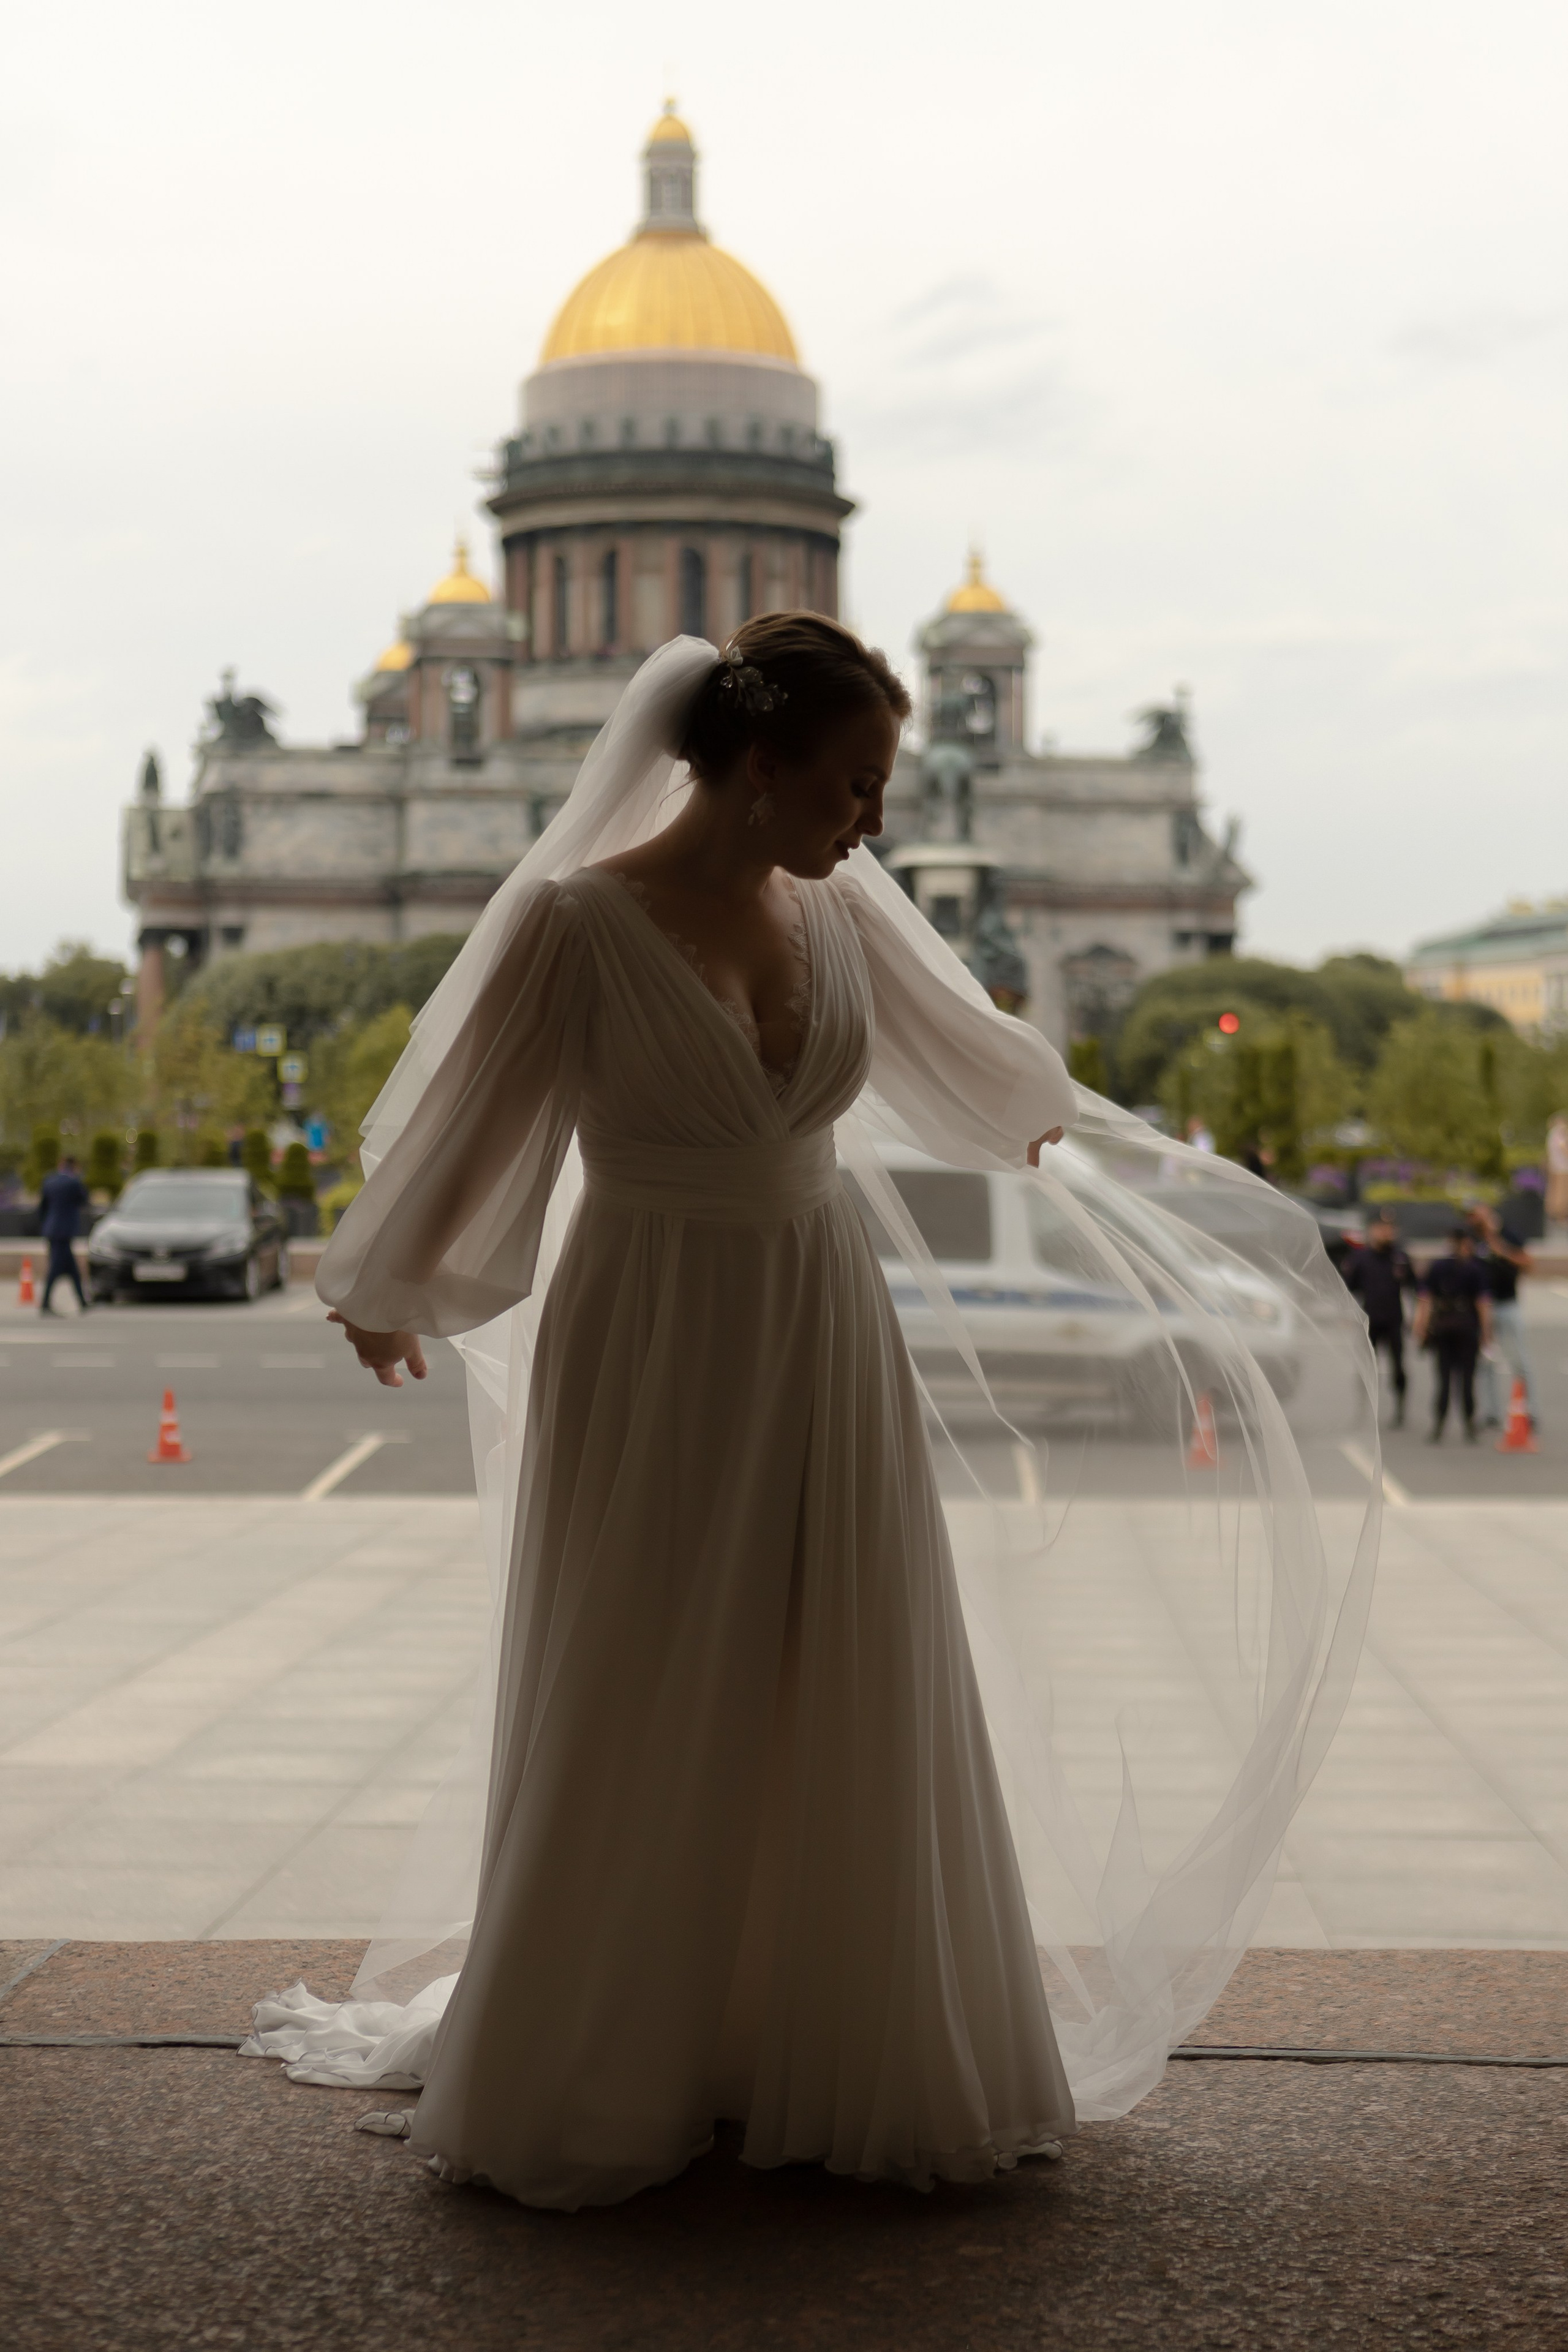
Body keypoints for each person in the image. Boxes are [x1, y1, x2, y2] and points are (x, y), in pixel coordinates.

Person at [241, 620, 1378, 2211]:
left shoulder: (841, 912)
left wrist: (1056, 1133)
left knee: (845, 1647)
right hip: (651, 1322)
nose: (875, 821)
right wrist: (391, 1285)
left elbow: (971, 1062)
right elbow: (471, 1125)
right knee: (645, 1656)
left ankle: (833, 2029)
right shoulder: (574, 923)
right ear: (759, 766)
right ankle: (610, 2043)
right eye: (854, 784)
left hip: (821, 1309)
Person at [1414, 1226, 1492, 1444]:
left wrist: (1421, 1326)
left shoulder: (1440, 1266)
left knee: (1449, 1379)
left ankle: (1444, 1425)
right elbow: (1483, 1304)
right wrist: (1486, 1332)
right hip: (1463, 1327)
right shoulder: (1474, 1268)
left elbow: (1426, 1300)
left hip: (1447, 1326)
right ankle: (1465, 1425)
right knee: (1460, 1380)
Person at [1341, 1212, 1415, 1427]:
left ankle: (1400, 1410)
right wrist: (1348, 1315)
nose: (1387, 1233)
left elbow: (1416, 1289)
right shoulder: (1360, 1258)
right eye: (1382, 1228)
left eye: (1390, 1229)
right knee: (1366, 1368)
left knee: (1398, 1366)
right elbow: (1347, 1289)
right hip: (1370, 1320)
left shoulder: (1400, 1257)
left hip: (1394, 1320)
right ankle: (1365, 1409)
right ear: (1372, 1230)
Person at [1467, 1203, 1536, 1428]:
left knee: (1519, 1360)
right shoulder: (1473, 1239)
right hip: (1485, 1306)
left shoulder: (1509, 1234)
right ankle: (1491, 1412)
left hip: (1508, 1304)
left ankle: (1530, 1409)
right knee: (1486, 1360)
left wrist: (1500, 1248)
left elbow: (1528, 1263)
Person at [37, 1154, 90, 1316]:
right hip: (65, 1232)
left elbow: (42, 1208)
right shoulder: (74, 1182)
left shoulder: (49, 1180)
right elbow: (85, 1200)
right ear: (74, 1166)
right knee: (55, 1269)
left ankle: (82, 1302)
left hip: (52, 1230)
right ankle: (45, 1303)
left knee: (72, 1270)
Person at [1547, 1112, 1568, 1234]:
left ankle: (1556, 1215)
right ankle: (1560, 1216)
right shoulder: (1558, 1134)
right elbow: (1564, 1149)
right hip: (1562, 1168)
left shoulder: (1552, 1134)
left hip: (1556, 1167)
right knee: (1561, 1193)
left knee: (1555, 1192)